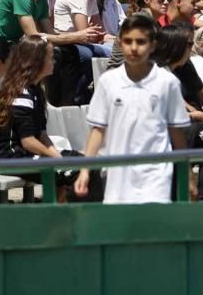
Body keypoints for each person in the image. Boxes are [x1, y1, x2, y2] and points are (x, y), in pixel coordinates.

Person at [76, 14, 189, 204]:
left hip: (157, 178)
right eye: (128, 41)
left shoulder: (167, 82)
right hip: (117, 178)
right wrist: (85, 170)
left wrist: (187, 175)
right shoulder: (108, 82)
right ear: (120, 43)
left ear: (153, 45)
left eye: (141, 42)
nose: (134, 48)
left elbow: (176, 133)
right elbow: (98, 130)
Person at [0, 35, 84, 198]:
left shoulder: (35, 91)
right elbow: (28, 141)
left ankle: (60, 217)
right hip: (12, 158)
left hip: (26, 154)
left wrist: (58, 156)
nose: (54, 60)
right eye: (50, 57)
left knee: (82, 161)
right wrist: (57, 159)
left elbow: (41, 134)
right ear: (37, 61)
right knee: (69, 172)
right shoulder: (21, 94)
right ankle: (59, 219)